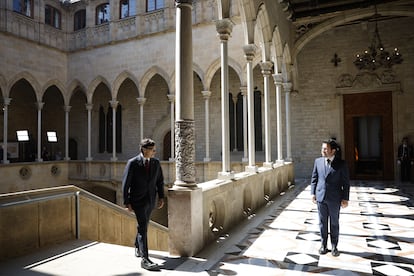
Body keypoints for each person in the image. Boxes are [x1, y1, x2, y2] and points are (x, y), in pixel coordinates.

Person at [122, 138, 165, 271]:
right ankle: (145, 259)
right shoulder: (133, 163)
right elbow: (126, 184)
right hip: (137, 200)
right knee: (143, 227)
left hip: (150, 200)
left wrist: (161, 197)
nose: (155, 152)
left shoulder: (156, 163)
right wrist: (126, 202)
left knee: (144, 224)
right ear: (144, 150)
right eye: (152, 150)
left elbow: (160, 181)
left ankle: (137, 245)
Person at [311, 139, 350, 257]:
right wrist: (313, 193)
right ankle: (323, 245)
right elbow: (314, 178)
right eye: (322, 148)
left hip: (335, 198)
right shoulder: (318, 161)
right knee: (322, 223)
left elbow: (346, 182)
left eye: (325, 149)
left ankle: (334, 246)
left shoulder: (341, 164)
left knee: (334, 223)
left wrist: (345, 198)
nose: (323, 150)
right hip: (321, 197)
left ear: (333, 151)